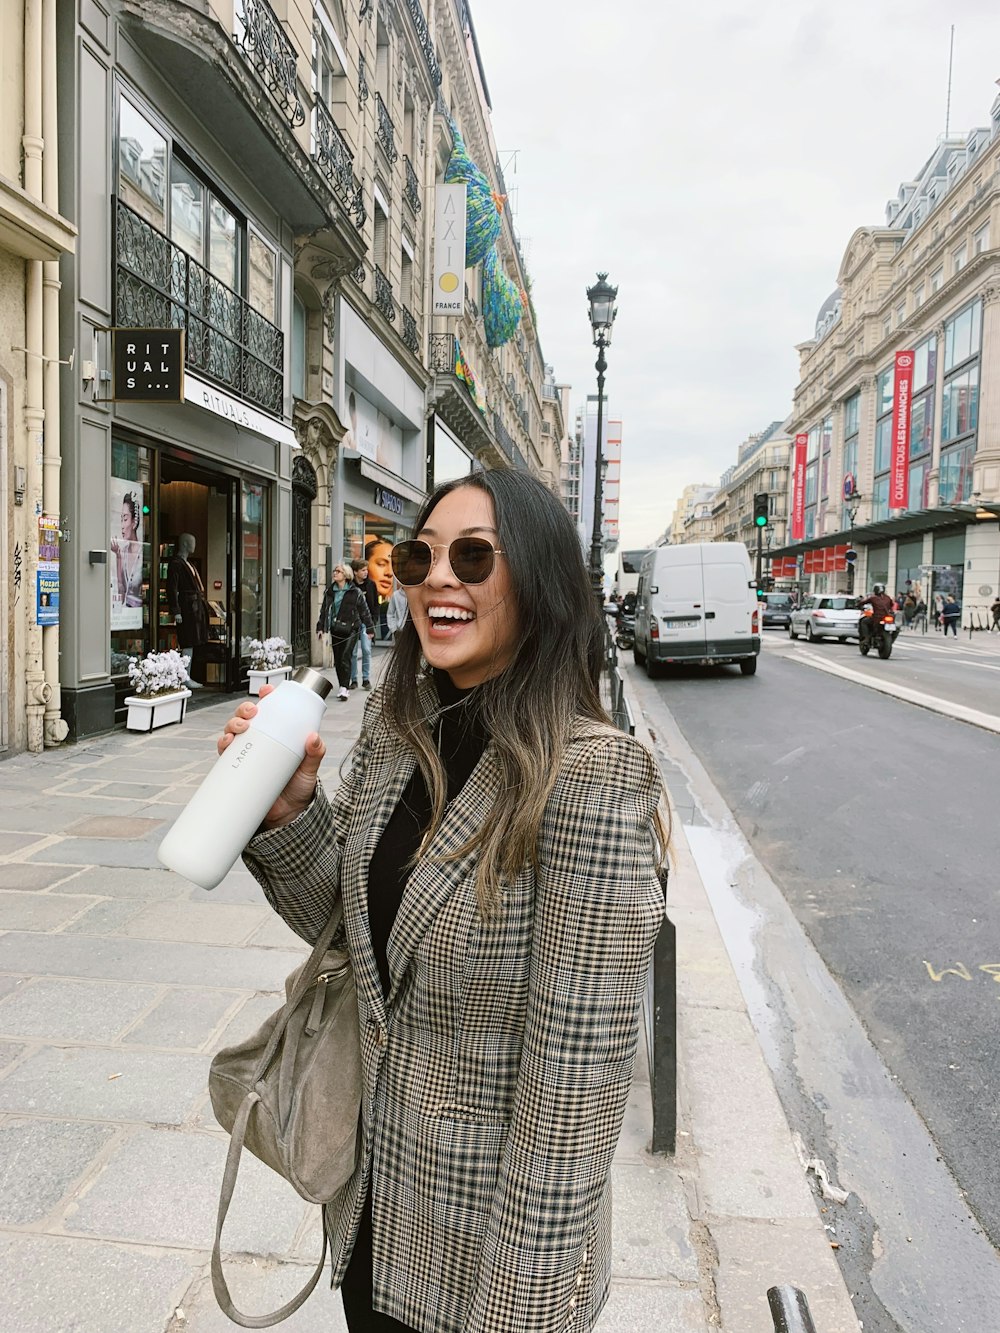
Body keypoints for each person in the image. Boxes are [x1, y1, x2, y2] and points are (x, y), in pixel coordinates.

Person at [219, 469, 668, 1333]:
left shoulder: (592, 776)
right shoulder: (401, 737)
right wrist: (289, 813)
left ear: (539, 583)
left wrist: (516, 1314)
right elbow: (344, 930)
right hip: (372, 1219)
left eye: (473, 556)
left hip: (490, 1264)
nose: (438, 579)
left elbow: (572, 1099)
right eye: (420, 557)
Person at [317, 564, 375, 702]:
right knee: (338, 659)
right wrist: (320, 627)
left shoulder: (355, 592)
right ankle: (342, 684)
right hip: (335, 629)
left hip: (352, 629)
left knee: (345, 656)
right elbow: (324, 610)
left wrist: (370, 628)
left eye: (338, 571)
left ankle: (345, 687)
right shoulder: (330, 591)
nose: (335, 573)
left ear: (346, 575)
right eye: (334, 571)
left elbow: (364, 611)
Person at [167, 534, 208, 687]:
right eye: (192, 542)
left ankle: (187, 675)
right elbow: (172, 588)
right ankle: (185, 676)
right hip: (186, 608)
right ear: (184, 544)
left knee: (192, 641)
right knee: (187, 641)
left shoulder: (188, 564)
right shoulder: (176, 564)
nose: (194, 545)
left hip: (194, 609)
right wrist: (176, 610)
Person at [110, 490, 143, 609]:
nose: (122, 525)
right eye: (121, 519)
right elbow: (121, 593)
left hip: (139, 615)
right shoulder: (123, 551)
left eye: (125, 519)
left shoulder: (143, 551)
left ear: (134, 522)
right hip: (127, 615)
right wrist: (118, 556)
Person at [349, 558, 379, 690]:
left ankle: (366, 679)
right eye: (363, 570)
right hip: (353, 623)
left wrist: (374, 621)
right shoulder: (350, 586)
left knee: (366, 650)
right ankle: (353, 679)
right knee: (353, 652)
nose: (366, 572)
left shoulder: (371, 585)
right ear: (355, 572)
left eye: (366, 570)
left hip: (367, 623)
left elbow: (375, 605)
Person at [857, 583, 893, 647]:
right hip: (887, 617)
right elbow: (891, 605)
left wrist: (858, 605)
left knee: (864, 622)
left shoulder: (873, 598)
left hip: (876, 618)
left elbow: (863, 602)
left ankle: (866, 638)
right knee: (895, 627)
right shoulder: (888, 598)